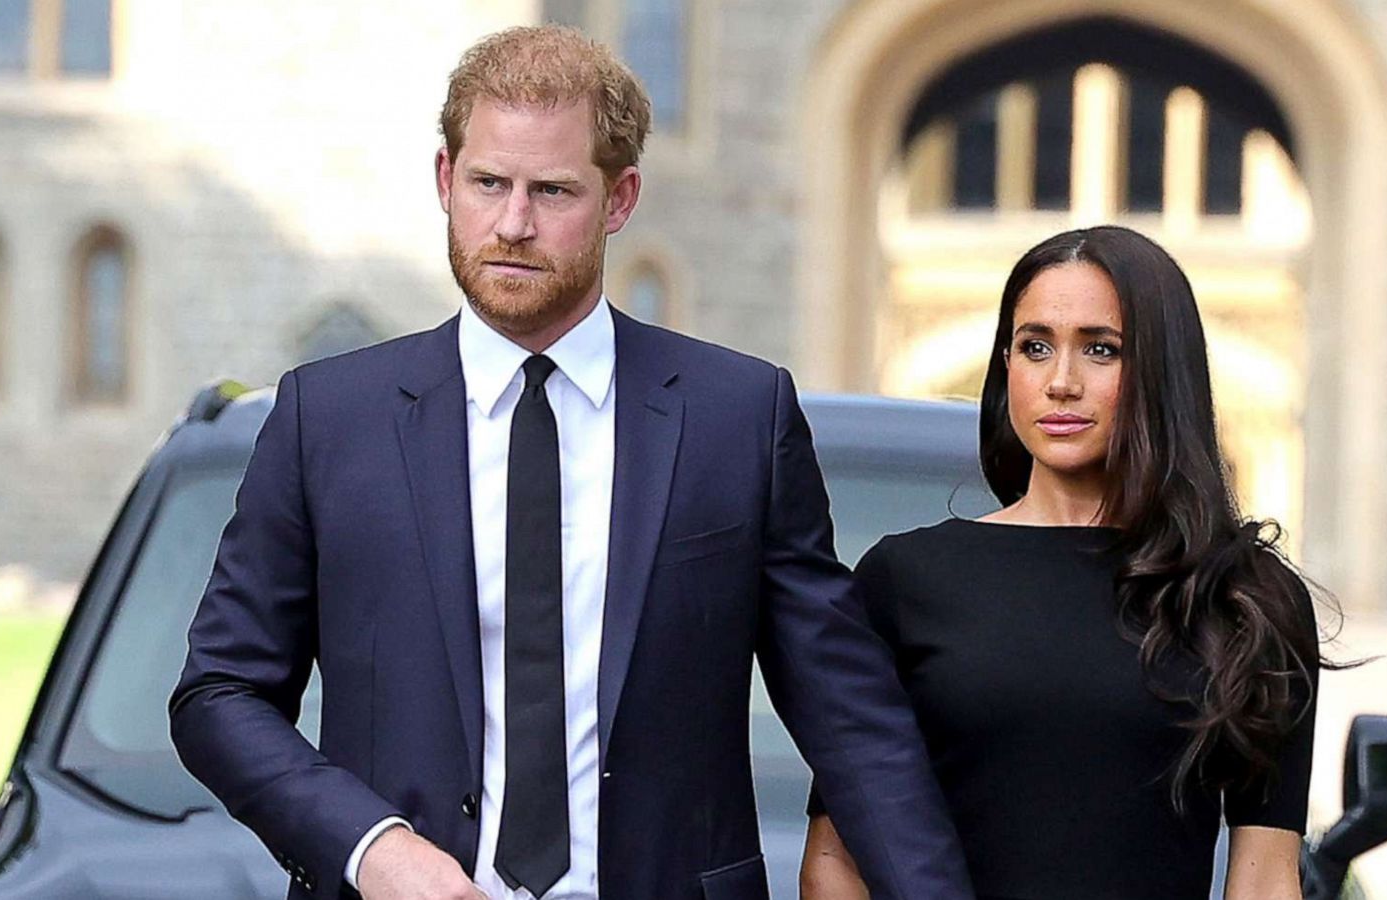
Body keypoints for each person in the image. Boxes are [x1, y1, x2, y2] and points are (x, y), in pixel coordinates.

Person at [168, 24, 971, 900]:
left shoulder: (736, 418)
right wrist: (375, 849)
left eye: (552, 191)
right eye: (487, 184)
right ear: (446, 180)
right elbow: (220, 694)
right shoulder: (327, 419)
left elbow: (851, 721)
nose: (512, 224)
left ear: (620, 198)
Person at [800, 226, 1326, 900]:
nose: (1061, 382)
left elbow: (1265, 881)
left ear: (1163, 372)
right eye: (1035, 346)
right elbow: (834, 862)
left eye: (1100, 350)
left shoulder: (1247, 598)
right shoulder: (905, 580)